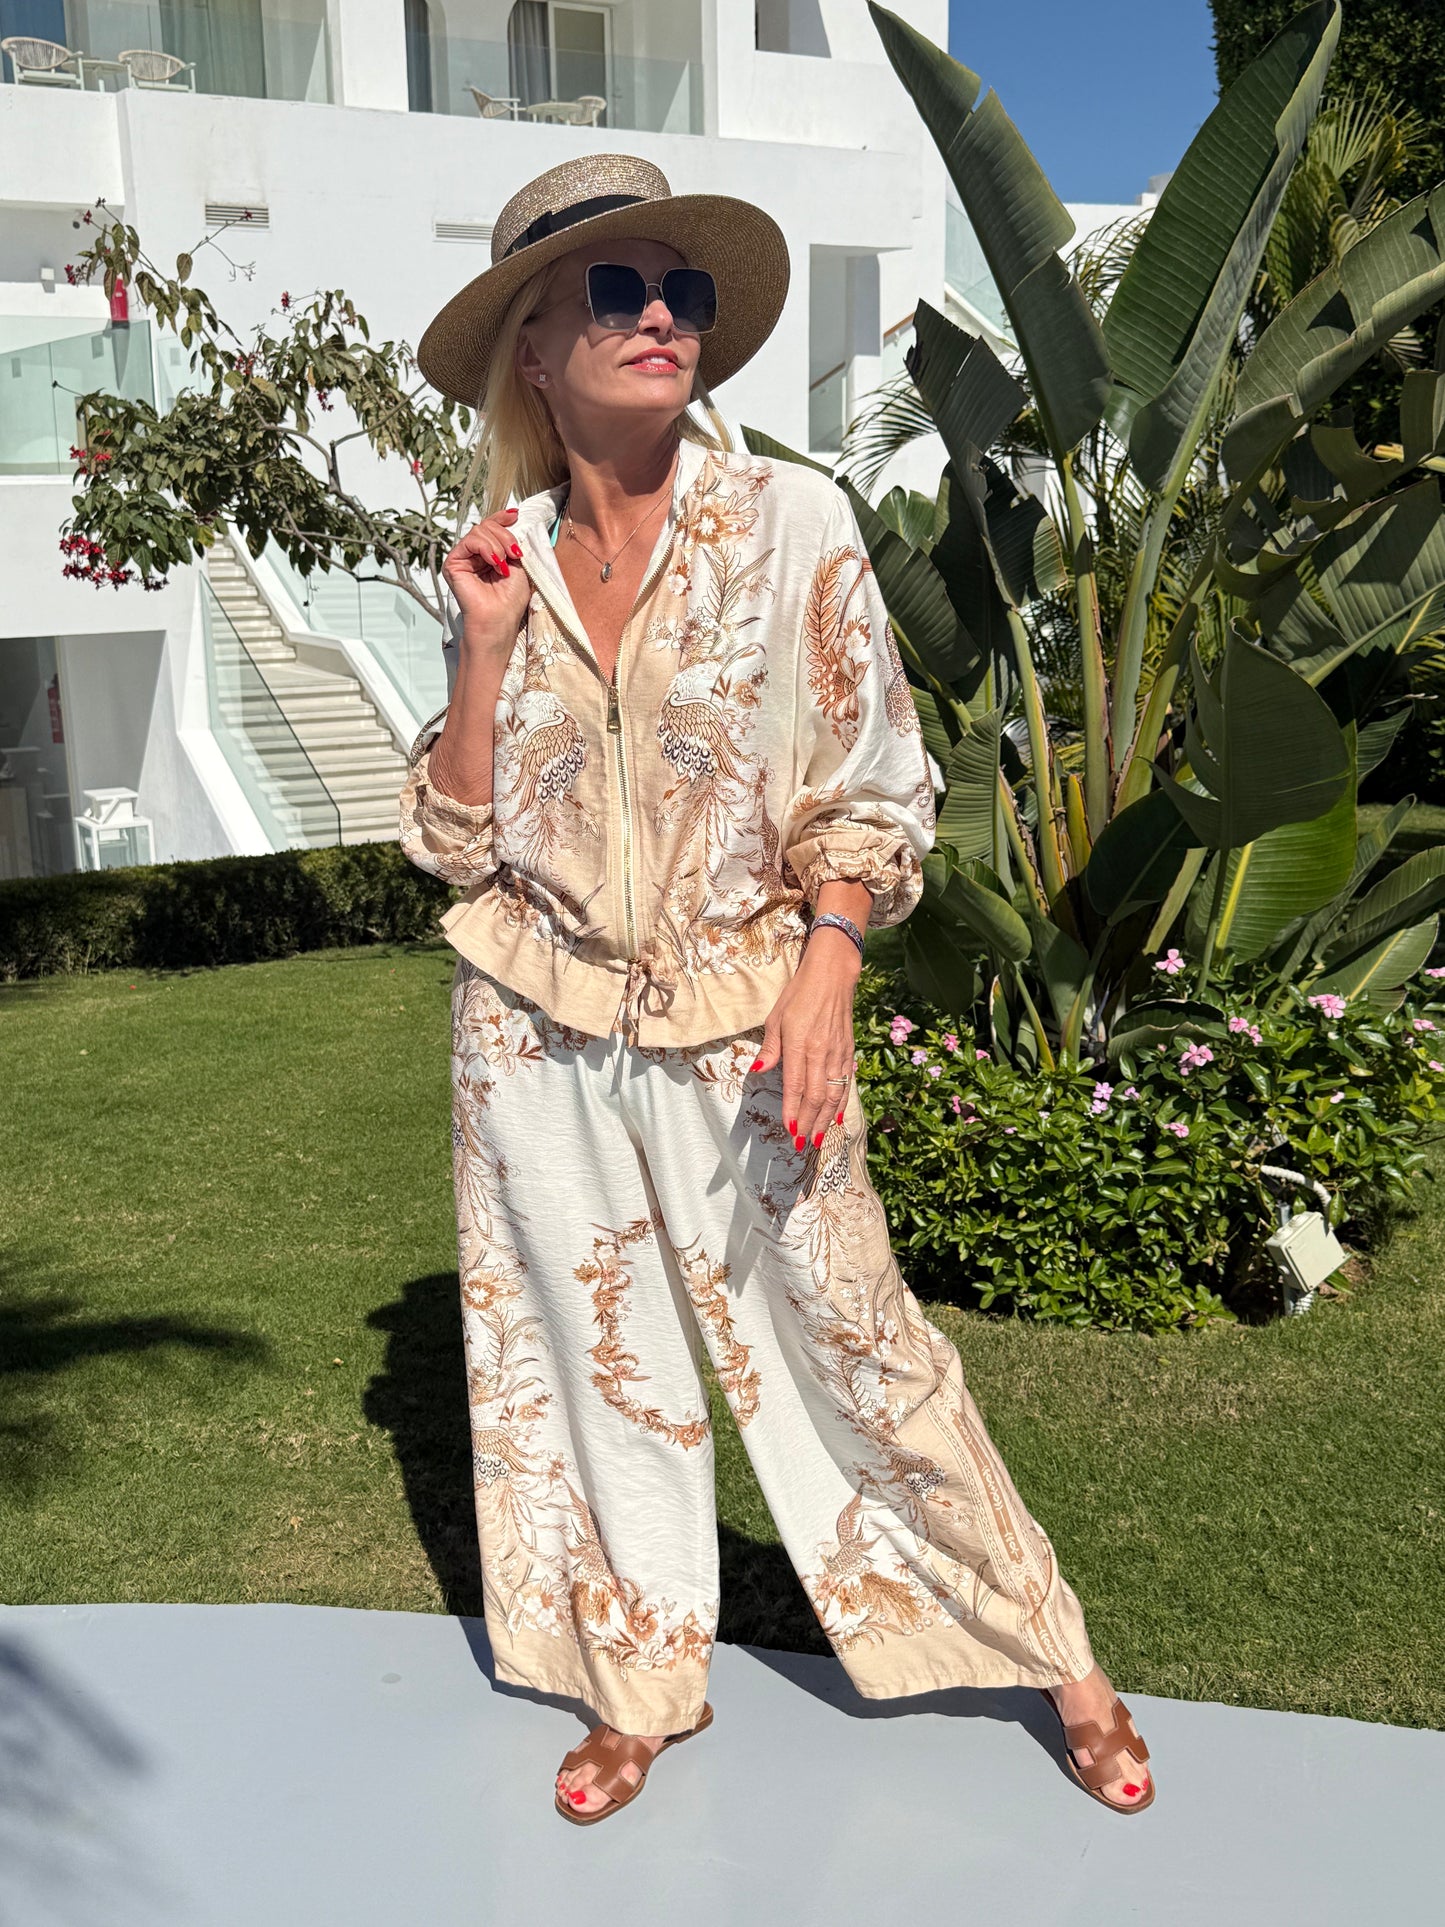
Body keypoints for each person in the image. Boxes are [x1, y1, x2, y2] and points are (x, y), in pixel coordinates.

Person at [400, 153, 1154, 1825]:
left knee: (854, 1343)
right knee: (588, 1370)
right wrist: (480, 650)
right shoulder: (497, 562)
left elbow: (871, 778)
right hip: (531, 1030)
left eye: (681, 290)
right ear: (535, 349)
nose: (660, 313)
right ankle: (634, 1681)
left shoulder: (786, 522)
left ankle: (1056, 1656)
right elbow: (452, 845)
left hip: (747, 1016)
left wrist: (828, 965)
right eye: (615, 289)